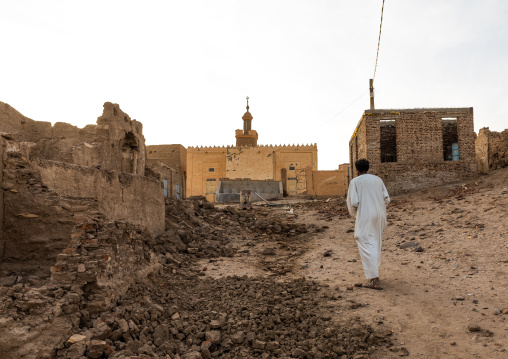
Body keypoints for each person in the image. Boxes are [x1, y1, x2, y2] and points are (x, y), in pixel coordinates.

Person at [346, 159, 390, 290]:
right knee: (375, 241)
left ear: (357, 170)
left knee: (364, 241)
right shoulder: (378, 180)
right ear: (368, 168)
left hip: (366, 215)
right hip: (380, 215)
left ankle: (375, 280)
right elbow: (387, 198)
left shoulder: (355, 181)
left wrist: (356, 214)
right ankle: (373, 275)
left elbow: (353, 202)